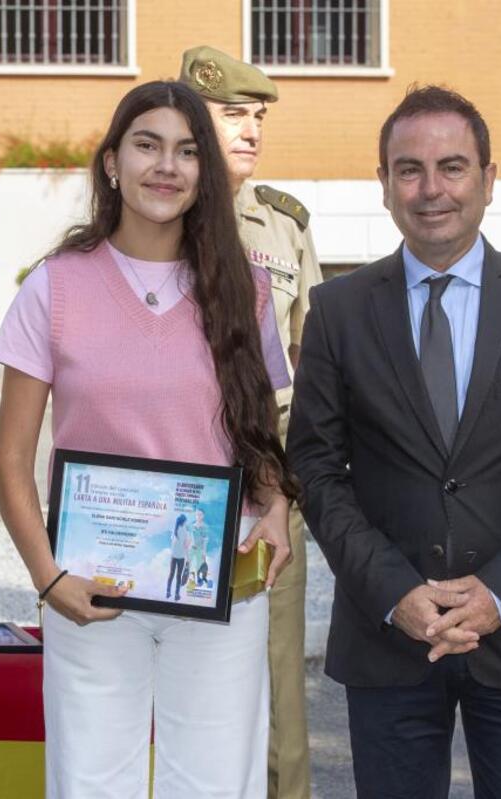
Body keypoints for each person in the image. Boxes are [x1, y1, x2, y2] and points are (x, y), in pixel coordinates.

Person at [286, 85, 501, 797]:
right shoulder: (338, 311)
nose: (430, 189)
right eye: (408, 169)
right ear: (383, 186)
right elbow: (314, 463)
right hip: (388, 637)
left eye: (453, 167)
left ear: (489, 180)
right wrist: (392, 589)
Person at [0, 80, 296, 798]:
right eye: (148, 145)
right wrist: (49, 577)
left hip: (218, 586)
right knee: (93, 782)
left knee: (217, 783)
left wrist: (277, 504)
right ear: (111, 164)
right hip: (92, 590)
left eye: (188, 151)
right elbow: (9, 461)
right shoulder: (56, 286)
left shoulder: (244, 290)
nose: (167, 166)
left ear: (205, 174)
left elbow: (261, 431)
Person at [179, 44, 323, 799]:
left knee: (279, 694)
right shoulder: (152, 217)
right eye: (232, 114)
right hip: (180, 489)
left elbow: (312, 368)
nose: (250, 129)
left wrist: (291, 493)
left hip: (268, 492)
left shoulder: (284, 225)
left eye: (257, 116)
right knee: (181, 683)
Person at [166, 513, 189, 600]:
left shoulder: (175, 529)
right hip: (181, 557)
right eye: (186, 521)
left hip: (173, 556)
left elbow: (173, 542)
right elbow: (185, 545)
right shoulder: (184, 531)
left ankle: (168, 592)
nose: (186, 523)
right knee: (178, 576)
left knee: (171, 574)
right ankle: (176, 594)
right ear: (183, 522)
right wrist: (188, 558)